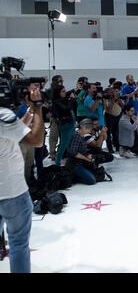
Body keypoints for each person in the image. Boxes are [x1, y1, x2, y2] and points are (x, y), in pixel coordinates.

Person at [0, 87, 44, 273]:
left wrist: (30, 111)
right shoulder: (3, 115)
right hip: (11, 192)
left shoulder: (5, 119)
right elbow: (36, 140)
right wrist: (39, 107)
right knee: (18, 244)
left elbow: (14, 130)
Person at [66, 119, 97, 185]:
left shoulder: (81, 135)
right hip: (74, 164)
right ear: (84, 128)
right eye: (89, 129)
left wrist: (88, 155)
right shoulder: (76, 136)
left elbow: (80, 150)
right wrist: (87, 158)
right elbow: (73, 152)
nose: (90, 131)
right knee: (92, 180)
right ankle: (74, 177)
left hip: (80, 162)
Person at [51, 85, 76, 166]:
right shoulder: (57, 101)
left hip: (71, 123)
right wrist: (71, 99)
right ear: (58, 93)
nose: (65, 92)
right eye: (63, 91)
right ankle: (57, 163)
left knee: (71, 143)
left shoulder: (64, 100)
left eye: (65, 91)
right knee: (63, 145)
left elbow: (71, 108)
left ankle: (70, 160)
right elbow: (66, 109)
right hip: (65, 125)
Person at [47, 75, 64, 161]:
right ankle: (52, 153)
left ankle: (61, 151)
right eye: (59, 81)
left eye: (62, 80)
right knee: (54, 135)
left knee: (63, 136)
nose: (61, 82)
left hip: (63, 116)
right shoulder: (50, 91)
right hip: (54, 116)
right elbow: (47, 103)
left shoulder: (62, 90)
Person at [104, 83, 124, 153]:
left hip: (117, 116)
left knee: (116, 133)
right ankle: (110, 148)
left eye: (114, 92)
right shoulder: (106, 99)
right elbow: (108, 109)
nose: (113, 93)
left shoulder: (116, 98)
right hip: (109, 117)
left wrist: (118, 99)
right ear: (107, 93)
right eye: (111, 92)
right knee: (108, 133)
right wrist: (112, 100)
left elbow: (122, 106)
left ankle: (117, 146)